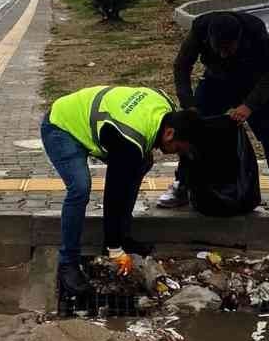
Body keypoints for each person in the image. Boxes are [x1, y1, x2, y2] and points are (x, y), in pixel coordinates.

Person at [41, 84, 199, 297]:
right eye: (178, 148)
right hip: (61, 125)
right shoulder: (129, 140)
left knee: (142, 163)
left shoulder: (165, 107)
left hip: (94, 123)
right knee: (80, 188)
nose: (174, 153)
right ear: (169, 133)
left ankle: (122, 236)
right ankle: (68, 263)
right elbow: (113, 193)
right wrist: (114, 250)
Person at [161, 10, 269, 215]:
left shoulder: (254, 29)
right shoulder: (200, 28)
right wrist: (189, 105)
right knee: (191, 129)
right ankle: (183, 184)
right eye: (218, 48)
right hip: (216, 81)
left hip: (253, 82)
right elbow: (181, 66)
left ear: (238, 39)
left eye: (228, 49)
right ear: (209, 39)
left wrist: (249, 105)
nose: (223, 53)